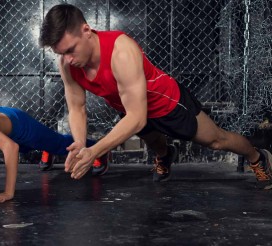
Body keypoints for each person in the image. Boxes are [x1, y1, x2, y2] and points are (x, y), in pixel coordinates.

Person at [38, 4, 272, 189]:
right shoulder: (68, 65)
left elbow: (137, 118)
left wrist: (94, 151)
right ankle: (165, 155)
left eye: (70, 50)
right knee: (154, 142)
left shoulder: (121, 52)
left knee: (216, 140)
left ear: (86, 30)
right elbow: (77, 107)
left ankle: (256, 156)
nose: (67, 59)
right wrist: (79, 143)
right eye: (61, 53)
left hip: (166, 103)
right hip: (132, 109)